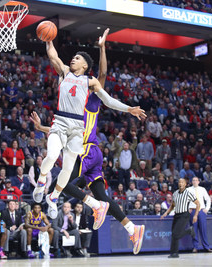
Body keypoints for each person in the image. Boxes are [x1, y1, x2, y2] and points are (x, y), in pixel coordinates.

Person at [30, 29, 145, 254]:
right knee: (102, 196)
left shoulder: (91, 97)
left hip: (87, 150)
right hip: (90, 152)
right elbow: (61, 126)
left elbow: (102, 73)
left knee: (59, 186)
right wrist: (41, 128)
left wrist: (102, 48)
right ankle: (132, 228)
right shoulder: (72, 98)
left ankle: (92, 206)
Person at [161, 178, 199, 258]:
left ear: (185, 184)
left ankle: (189, 230)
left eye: (182, 182)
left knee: (176, 234)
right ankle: (174, 253)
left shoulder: (188, 193)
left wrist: (195, 215)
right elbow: (172, 205)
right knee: (174, 234)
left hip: (184, 215)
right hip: (176, 215)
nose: (180, 183)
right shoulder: (175, 193)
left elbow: (198, 204)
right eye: (179, 182)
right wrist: (166, 213)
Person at [188, 177, 212, 253]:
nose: (194, 182)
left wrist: (207, 209)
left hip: (201, 210)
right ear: (191, 182)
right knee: (193, 230)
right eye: (193, 180)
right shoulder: (188, 190)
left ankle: (206, 247)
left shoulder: (202, 189)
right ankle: (195, 247)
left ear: (198, 182)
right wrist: (187, 208)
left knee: (203, 229)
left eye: (196, 180)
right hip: (193, 210)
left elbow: (208, 199)